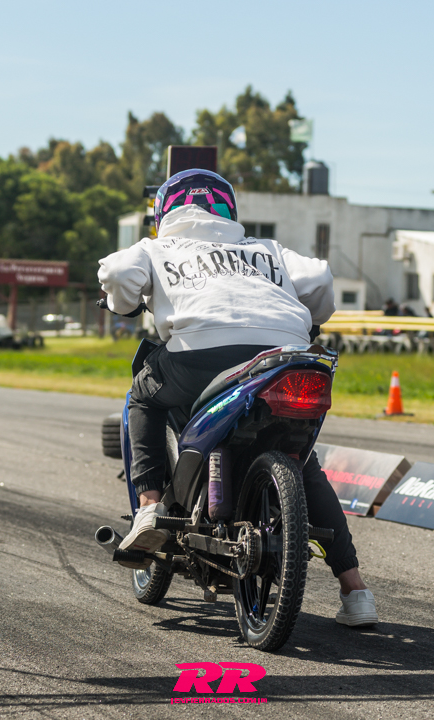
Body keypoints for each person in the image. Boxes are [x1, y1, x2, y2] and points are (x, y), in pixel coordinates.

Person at [98, 169, 378, 627]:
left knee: (143, 396)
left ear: (164, 213)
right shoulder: (267, 250)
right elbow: (319, 278)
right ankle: (357, 592)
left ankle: (149, 508)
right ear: (228, 209)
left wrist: (120, 302)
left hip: (199, 355)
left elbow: (116, 274)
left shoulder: (157, 247)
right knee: (302, 463)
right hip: (283, 356)